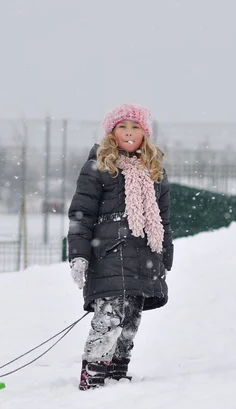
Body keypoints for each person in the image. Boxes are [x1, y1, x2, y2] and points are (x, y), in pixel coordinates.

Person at [67, 104, 174, 390]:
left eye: (135, 127)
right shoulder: (99, 167)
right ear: (112, 133)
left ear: (145, 133)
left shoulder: (155, 171)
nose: (129, 133)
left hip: (144, 257)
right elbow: (81, 214)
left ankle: (117, 375)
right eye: (122, 127)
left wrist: (165, 254)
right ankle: (93, 378)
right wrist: (78, 255)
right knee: (109, 319)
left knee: (129, 323)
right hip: (109, 256)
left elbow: (163, 218)